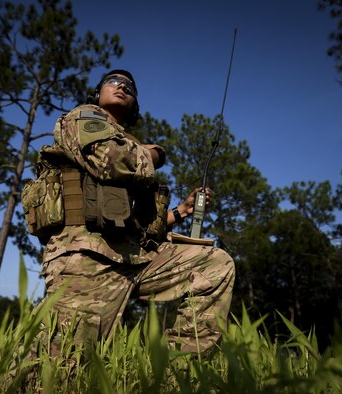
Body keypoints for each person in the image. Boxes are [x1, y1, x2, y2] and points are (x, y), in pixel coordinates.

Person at [37, 69, 235, 355]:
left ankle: (177, 371)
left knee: (215, 263)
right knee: (60, 366)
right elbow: (112, 159)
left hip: (135, 258)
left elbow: (142, 226)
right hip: (87, 258)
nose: (122, 86)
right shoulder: (84, 117)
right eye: (113, 81)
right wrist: (155, 154)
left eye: (129, 86)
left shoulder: (128, 144)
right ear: (98, 93)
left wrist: (182, 210)